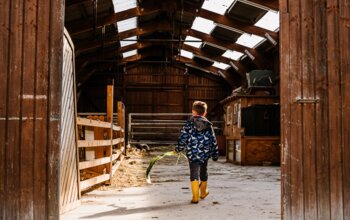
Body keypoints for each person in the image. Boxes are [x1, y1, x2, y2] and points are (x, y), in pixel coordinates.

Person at [175, 100, 219, 204]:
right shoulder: (208, 125)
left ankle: (195, 197)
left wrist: (178, 148)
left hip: (193, 153)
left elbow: (183, 137)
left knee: (194, 173)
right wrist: (215, 154)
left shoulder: (189, 123)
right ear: (205, 113)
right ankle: (203, 192)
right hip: (205, 153)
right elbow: (213, 140)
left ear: (193, 112)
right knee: (204, 172)